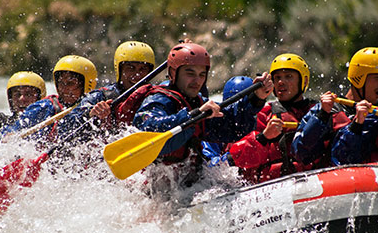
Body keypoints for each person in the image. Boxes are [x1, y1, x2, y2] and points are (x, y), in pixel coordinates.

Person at [131, 42, 273, 185]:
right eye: (190, 73)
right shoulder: (158, 99)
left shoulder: (197, 101)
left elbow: (232, 127)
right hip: (157, 190)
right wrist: (193, 116)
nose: (197, 81)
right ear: (173, 73)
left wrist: (256, 98)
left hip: (188, 186)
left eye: (202, 75)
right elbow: (149, 127)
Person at [227, 54, 321, 183]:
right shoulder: (263, 114)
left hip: (313, 180)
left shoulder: (320, 110)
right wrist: (264, 137)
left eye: (288, 76)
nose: (281, 82)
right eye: (277, 78)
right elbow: (236, 159)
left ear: (303, 81)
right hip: (273, 186)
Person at [291, 47, 378, 166]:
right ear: (359, 78)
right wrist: (322, 116)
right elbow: (300, 152)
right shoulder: (326, 110)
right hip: (333, 180)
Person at [0, 55, 97, 142]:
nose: (63, 88)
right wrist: (7, 135)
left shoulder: (98, 104)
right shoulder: (45, 107)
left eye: (70, 83)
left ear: (86, 84)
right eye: (61, 83)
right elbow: (14, 129)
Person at [63, 41, 156, 132]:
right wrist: (90, 114)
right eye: (130, 68)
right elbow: (64, 127)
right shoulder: (101, 96)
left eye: (143, 69)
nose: (137, 74)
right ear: (119, 70)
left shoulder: (156, 96)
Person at [201, 75, 254, 166]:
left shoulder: (263, 125)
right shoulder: (215, 127)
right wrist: (235, 155)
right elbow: (211, 166)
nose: (239, 112)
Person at [0, 71, 45, 142]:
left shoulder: (49, 125)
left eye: (28, 94)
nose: (22, 99)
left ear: (39, 98)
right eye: (17, 94)